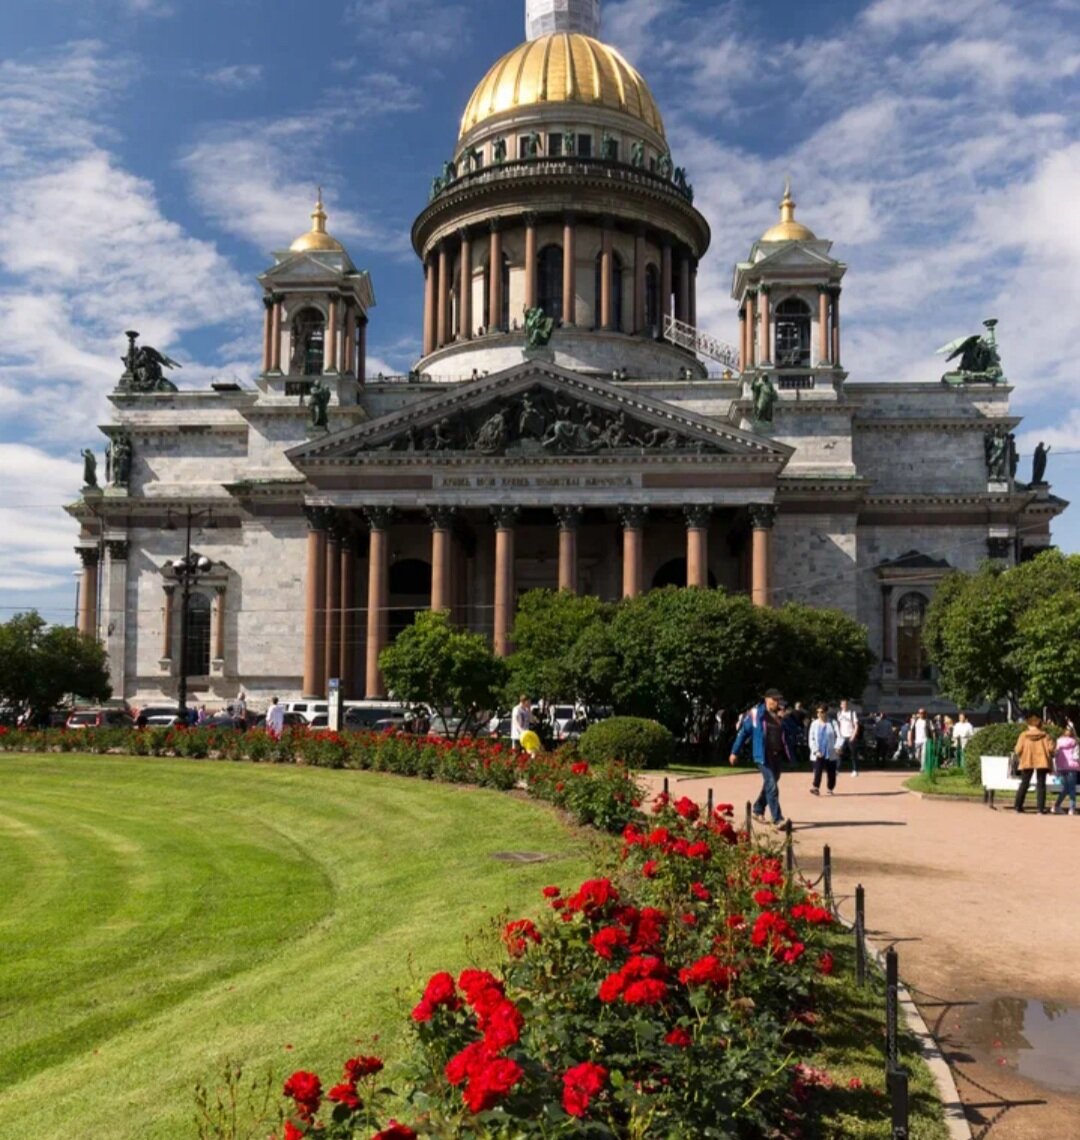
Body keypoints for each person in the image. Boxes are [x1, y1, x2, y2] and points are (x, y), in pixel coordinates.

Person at [729, 688, 794, 828]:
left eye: (778, 700)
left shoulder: (780, 715)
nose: (777, 702)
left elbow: (789, 734)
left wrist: (783, 719)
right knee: (771, 784)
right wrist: (735, 752)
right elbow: (743, 733)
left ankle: (758, 808)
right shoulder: (755, 714)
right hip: (762, 756)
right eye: (774, 700)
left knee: (770, 784)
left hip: (777, 755)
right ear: (766, 699)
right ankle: (777, 819)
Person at [1013, 713, 1055, 814]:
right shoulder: (1045, 735)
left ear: (1029, 725)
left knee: (1024, 783)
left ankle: (1018, 806)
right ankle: (1040, 809)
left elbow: (1018, 750)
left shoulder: (1024, 735)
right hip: (1042, 761)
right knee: (1041, 785)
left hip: (1027, 760)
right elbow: (1051, 749)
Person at [808, 705, 839, 796]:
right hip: (819, 752)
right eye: (817, 712)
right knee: (818, 770)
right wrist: (815, 750)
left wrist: (837, 746)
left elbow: (839, 736)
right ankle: (816, 787)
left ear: (826, 712)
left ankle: (830, 788)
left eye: (821, 712)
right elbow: (811, 738)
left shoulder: (833, 723)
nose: (819, 714)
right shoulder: (814, 724)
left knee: (831, 772)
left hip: (830, 751)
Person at [1052, 723, 1078, 816]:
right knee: (1071, 788)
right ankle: (1071, 808)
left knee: (1066, 788)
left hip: (1061, 767)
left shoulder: (1058, 741)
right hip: (1072, 767)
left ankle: (1056, 805)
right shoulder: (1074, 741)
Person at [836, 699, 860, 777]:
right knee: (839, 754)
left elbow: (856, 725)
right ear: (840, 705)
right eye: (843, 704)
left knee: (853, 754)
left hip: (850, 736)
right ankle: (837, 770)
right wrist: (838, 735)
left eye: (846, 704)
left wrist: (853, 735)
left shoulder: (852, 713)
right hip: (842, 737)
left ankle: (855, 770)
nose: (844, 706)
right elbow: (839, 725)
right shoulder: (839, 714)